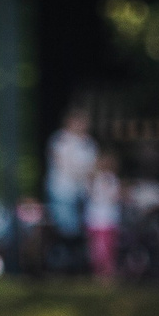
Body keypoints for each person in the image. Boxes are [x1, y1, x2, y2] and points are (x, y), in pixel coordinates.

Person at [46, 108, 98, 271]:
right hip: (62, 191)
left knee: (78, 229)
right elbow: (63, 164)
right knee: (66, 227)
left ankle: (75, 264)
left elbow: (93, 169)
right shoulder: (60, 140)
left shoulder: (89, 144)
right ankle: (63, 264)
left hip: (82, 193)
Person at [84, 150, 123, 279]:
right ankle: (99, 271)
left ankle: (106, 271)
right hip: (97, 219)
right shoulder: (94, 180)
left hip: (108, 219)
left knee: (108, 247)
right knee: (97, 248)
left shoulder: (112, 180)